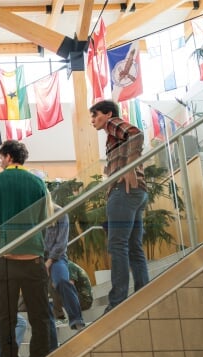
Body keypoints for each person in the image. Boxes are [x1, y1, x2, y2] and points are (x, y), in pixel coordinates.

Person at [0, 139, 51, 357]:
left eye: (1, 158)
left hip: (5, 260)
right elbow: (43, 219)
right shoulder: (38, 183)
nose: (0, 163)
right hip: (33, 258)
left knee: (5, 318)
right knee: (39, 316)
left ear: (9, 157)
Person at [90, 100, 149, 313]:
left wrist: (129, 167)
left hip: (123, 191)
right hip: (137, 192)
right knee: (133, 247)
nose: (93, 121)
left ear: (107, 114)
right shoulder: (111, 136)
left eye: (95, 115)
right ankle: (143, 293)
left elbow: (137, 134)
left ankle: (117, 302)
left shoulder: (113, 124)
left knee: (118, 246)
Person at [43, 203, 85, 330]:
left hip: (57, 256)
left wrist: (49, 262)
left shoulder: (59, 212)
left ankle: (76, 319)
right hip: (37, 258)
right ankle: (50, 322)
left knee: (62, 280)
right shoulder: (32, 215)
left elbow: (61, 244)